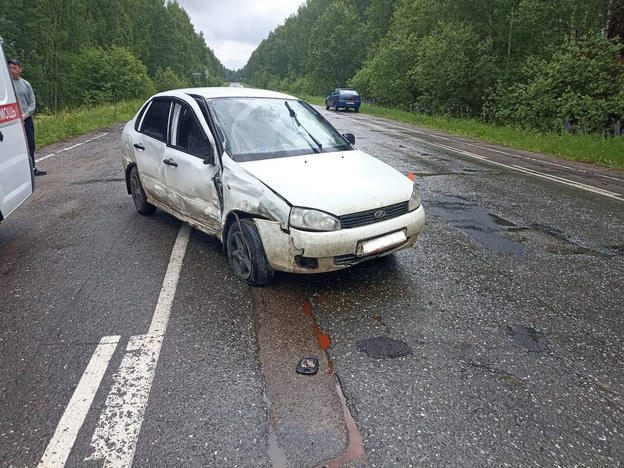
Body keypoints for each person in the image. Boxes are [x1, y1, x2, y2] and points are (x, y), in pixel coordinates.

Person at [7, 59, 46, 176]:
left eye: (15, 68)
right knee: (14, 145)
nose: (12, 70)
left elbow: (32, 102)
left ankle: (32, 167)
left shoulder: (26, 84)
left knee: (30, 143)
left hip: (25, 118)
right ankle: (16, 171)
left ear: (20, 69)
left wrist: (26, 114)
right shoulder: (5, 85)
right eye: (10, 68)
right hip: (11, 120)